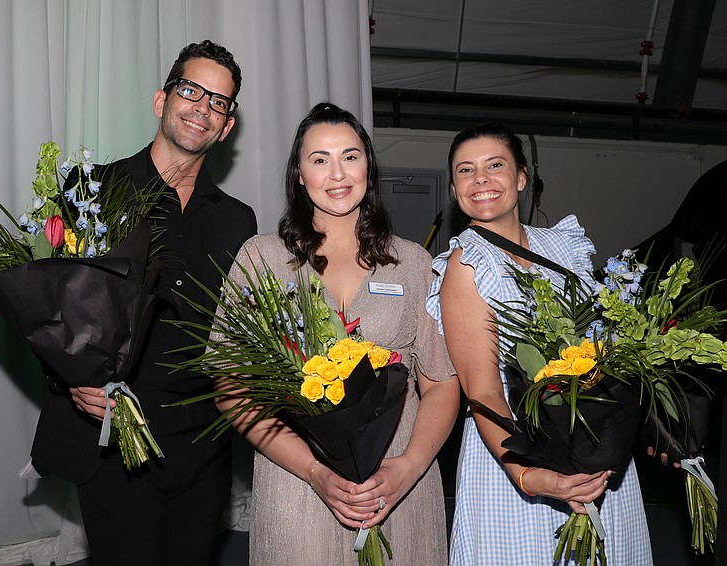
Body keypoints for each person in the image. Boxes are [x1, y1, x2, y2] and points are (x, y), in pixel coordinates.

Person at [29, 40, 257, 566]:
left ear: (226, 127)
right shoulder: (91, 191)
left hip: (204, 446)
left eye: (217, 102)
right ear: (162, 100)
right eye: (191, 91)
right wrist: (69, 377)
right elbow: (47, 305)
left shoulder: (237, 221)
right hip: (114, 435)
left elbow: (236, 333)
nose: (202, 107)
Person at [217, 102, 461, 565]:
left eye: (350, 155)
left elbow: (441, 381)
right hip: (295, 479)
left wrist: (407, 468)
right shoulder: (262, 259)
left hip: (395, 482)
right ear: (299, 173)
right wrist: (313, 471)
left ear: (369, 163)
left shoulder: (413, 263)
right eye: (320, 159)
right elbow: (232, 386)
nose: (338, 173)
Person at [426, 122, 653, 565]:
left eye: (495, 166)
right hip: (516, 451)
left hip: (596, 447)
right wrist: (531, 476)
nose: (481, 181)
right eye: (466, 171)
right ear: (454, 190)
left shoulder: (562, 244)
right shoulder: (467, 264)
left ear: (522, 177)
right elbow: (483, 391)